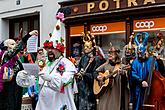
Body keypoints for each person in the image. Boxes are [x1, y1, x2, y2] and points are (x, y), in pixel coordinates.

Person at [36, 11, 77, 110]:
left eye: (52, 48)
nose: (49, 51)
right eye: (48, 48)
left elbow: (64, 81)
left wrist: (50, 78)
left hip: (59, 104)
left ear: (59, 50)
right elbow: (36, 82)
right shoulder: (44, 63)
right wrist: (28, 76)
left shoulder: (68, 64)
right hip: (43, 105)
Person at [0, 30, 38, 110]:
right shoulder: (6, 54)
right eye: (12, 44)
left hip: (17, 84)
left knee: (17, 103)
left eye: (15, 43)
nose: (15, 45)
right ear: (6, 46)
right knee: (10, 105)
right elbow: (18, 48)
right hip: (9, 84)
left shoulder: (16, 56)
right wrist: (29, 35)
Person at [130, 32, 158, 110]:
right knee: (138, 105)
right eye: (139, 54)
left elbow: (158, 73)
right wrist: (141, 81)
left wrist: (158, 61)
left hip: (151, 88)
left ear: (146, 51)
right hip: (138, 89)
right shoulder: (135, 62)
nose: (140, 56)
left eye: (142, 54)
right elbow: (133, 73)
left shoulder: (152, 60)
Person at [75, 31, 102, 110]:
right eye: (85, 46)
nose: (85, 48)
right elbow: (80, 68)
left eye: (87, 47)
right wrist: (79, 74)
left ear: (92, 48)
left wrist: (85, 74)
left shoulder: (96, 58)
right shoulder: (83, 57)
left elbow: (95, 73)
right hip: (81, 86)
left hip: (89, 87)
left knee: (88, 105)